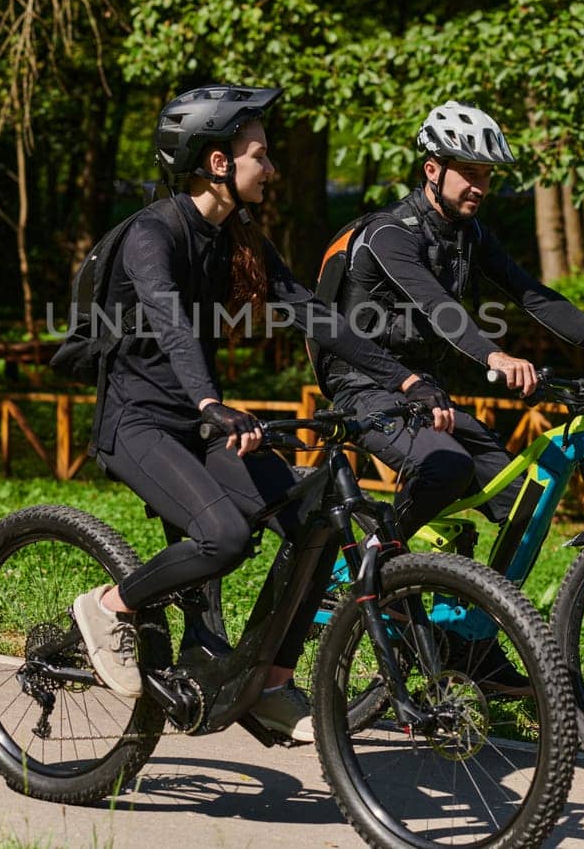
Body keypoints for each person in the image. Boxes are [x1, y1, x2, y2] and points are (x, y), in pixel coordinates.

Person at [72, 85, 453, 742]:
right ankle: (108, 606)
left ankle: (271, 680)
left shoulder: (237, 237)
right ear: (218, 162)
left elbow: (315, 314)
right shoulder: (150, 234)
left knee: (318, 519)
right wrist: (209, 401)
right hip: (139, 423)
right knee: (225, 535)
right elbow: (170, 325)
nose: (272, 169)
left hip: (201, 422)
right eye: (261, 155)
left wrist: (407, 377)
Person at [312, 101, 584, 678]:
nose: (480, 185)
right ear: (432, 169)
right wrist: (494, 353)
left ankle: (470, 643)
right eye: (469, 171)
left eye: (487, 174)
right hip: (364, 385)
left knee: (514, 494)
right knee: (446, 465)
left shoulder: (469, 234)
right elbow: (437, 306)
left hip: (427, 394)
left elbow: (533, 295)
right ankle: (370, 565)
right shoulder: (386, 235)